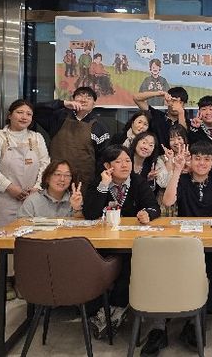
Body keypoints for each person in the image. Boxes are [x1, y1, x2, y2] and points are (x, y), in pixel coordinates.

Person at [83, 145, 161, 339]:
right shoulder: (98, 183)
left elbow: (154, 207)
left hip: (131, 244)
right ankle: (101, 311)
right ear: (107, 165)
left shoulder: (138, 182)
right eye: (118, 161)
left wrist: (147, 214)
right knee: (92, 266)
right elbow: (90, 214)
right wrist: (104, 185)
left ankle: (115, 310)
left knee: (130, 265)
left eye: (127, 160)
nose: (125, 165)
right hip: (103, 243)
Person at [0, 100, 50, 297]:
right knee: (2, 240)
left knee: (26, 240)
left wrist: (36, 188)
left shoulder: (36, 138)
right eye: (20, 112)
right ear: (9, 115)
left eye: (28, 114)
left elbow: (45, 164)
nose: (24, 117)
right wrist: (10, 188)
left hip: (31, 199)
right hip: (3, 199)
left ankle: (22, 279)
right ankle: (1, 282)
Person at [162, 141, 212, 346]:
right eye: (197, 158)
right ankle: (174, 314)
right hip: (185, 242)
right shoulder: (183, 181)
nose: (202, 163)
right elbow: (168, 201)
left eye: (207, 159)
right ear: (191, 160)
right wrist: (177, 169)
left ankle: (195, 321)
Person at [35, 86, 110, 186]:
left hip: (84, 182)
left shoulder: (100, 126)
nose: (83, 100)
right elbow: (34, 110)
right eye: (79, 96)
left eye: (88, 98)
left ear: (94, 104)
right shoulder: (58, 117)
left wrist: (97, 182)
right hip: (56, 178)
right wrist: (63, 103)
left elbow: (103, 157)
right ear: (73, 100)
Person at [17, 160, 83, 218]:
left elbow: (81, 226)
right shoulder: (32, 201)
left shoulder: (75, 199)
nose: (62, 179)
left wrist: (77, 209)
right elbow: (21, 224)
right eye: (58, 174)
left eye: (67, 175)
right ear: (47, 178)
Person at [129, 131, 170, 215]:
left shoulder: (153, 165)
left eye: (151, 145)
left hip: (143, 212)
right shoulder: (126, 160)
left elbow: (150, 197)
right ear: (136, 142)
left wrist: (149, 181)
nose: (146, 147)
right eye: (144, 142)